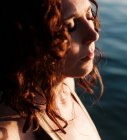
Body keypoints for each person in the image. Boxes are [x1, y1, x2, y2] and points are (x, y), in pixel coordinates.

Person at [0, 0, 104, 139]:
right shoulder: (11, 133)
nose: (94, 35)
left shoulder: (64, 83)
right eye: (70, 26)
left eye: (89, 15)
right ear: (29, 38)